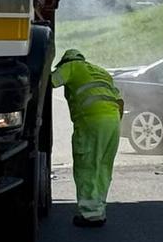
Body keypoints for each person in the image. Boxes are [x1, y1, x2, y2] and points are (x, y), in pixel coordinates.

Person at [50, 49, 124, 228]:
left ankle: (90, 215)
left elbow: (51, 82)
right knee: (103, 166)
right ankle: (99, 209)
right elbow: (120, 101)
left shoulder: (71, 66)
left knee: (87, 165)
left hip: (91, 121)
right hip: (113, 120)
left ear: (66, 61)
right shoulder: (100, 71)